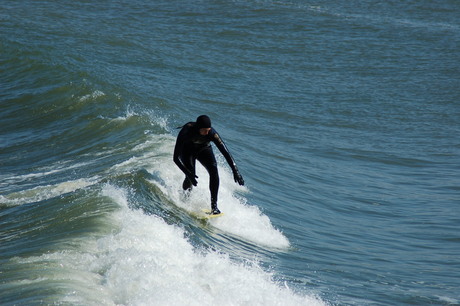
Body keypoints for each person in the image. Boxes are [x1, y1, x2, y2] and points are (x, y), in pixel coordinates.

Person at [173, 115, 244, 215]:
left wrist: (235, 170)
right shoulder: (186, 131)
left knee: (214, 171)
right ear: (198, 128)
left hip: (203, 149)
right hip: (187, 150)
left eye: (208, 130)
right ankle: (185, 198)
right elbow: (175, 158)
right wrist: (188, 174)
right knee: (190, 175)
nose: (207, 133)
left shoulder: (212, 133)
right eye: (205, 130)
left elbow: (225, 152)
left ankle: (214, 207)